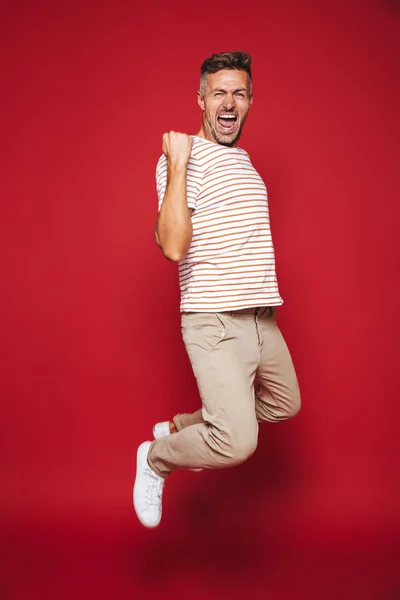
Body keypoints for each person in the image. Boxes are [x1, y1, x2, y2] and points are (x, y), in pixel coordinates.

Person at [133, 51, 301, 528]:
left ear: (249, 101)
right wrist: (179, 164)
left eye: (239, 93)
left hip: (261, 318)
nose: (229, 102)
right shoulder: (181, 157)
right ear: (201, 100)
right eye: (219, 92)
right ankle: (156, 458)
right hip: (215, 320)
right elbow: (171, 245)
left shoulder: (243, 161)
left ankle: (181, 429)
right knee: (237, 440)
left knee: (285, 404)